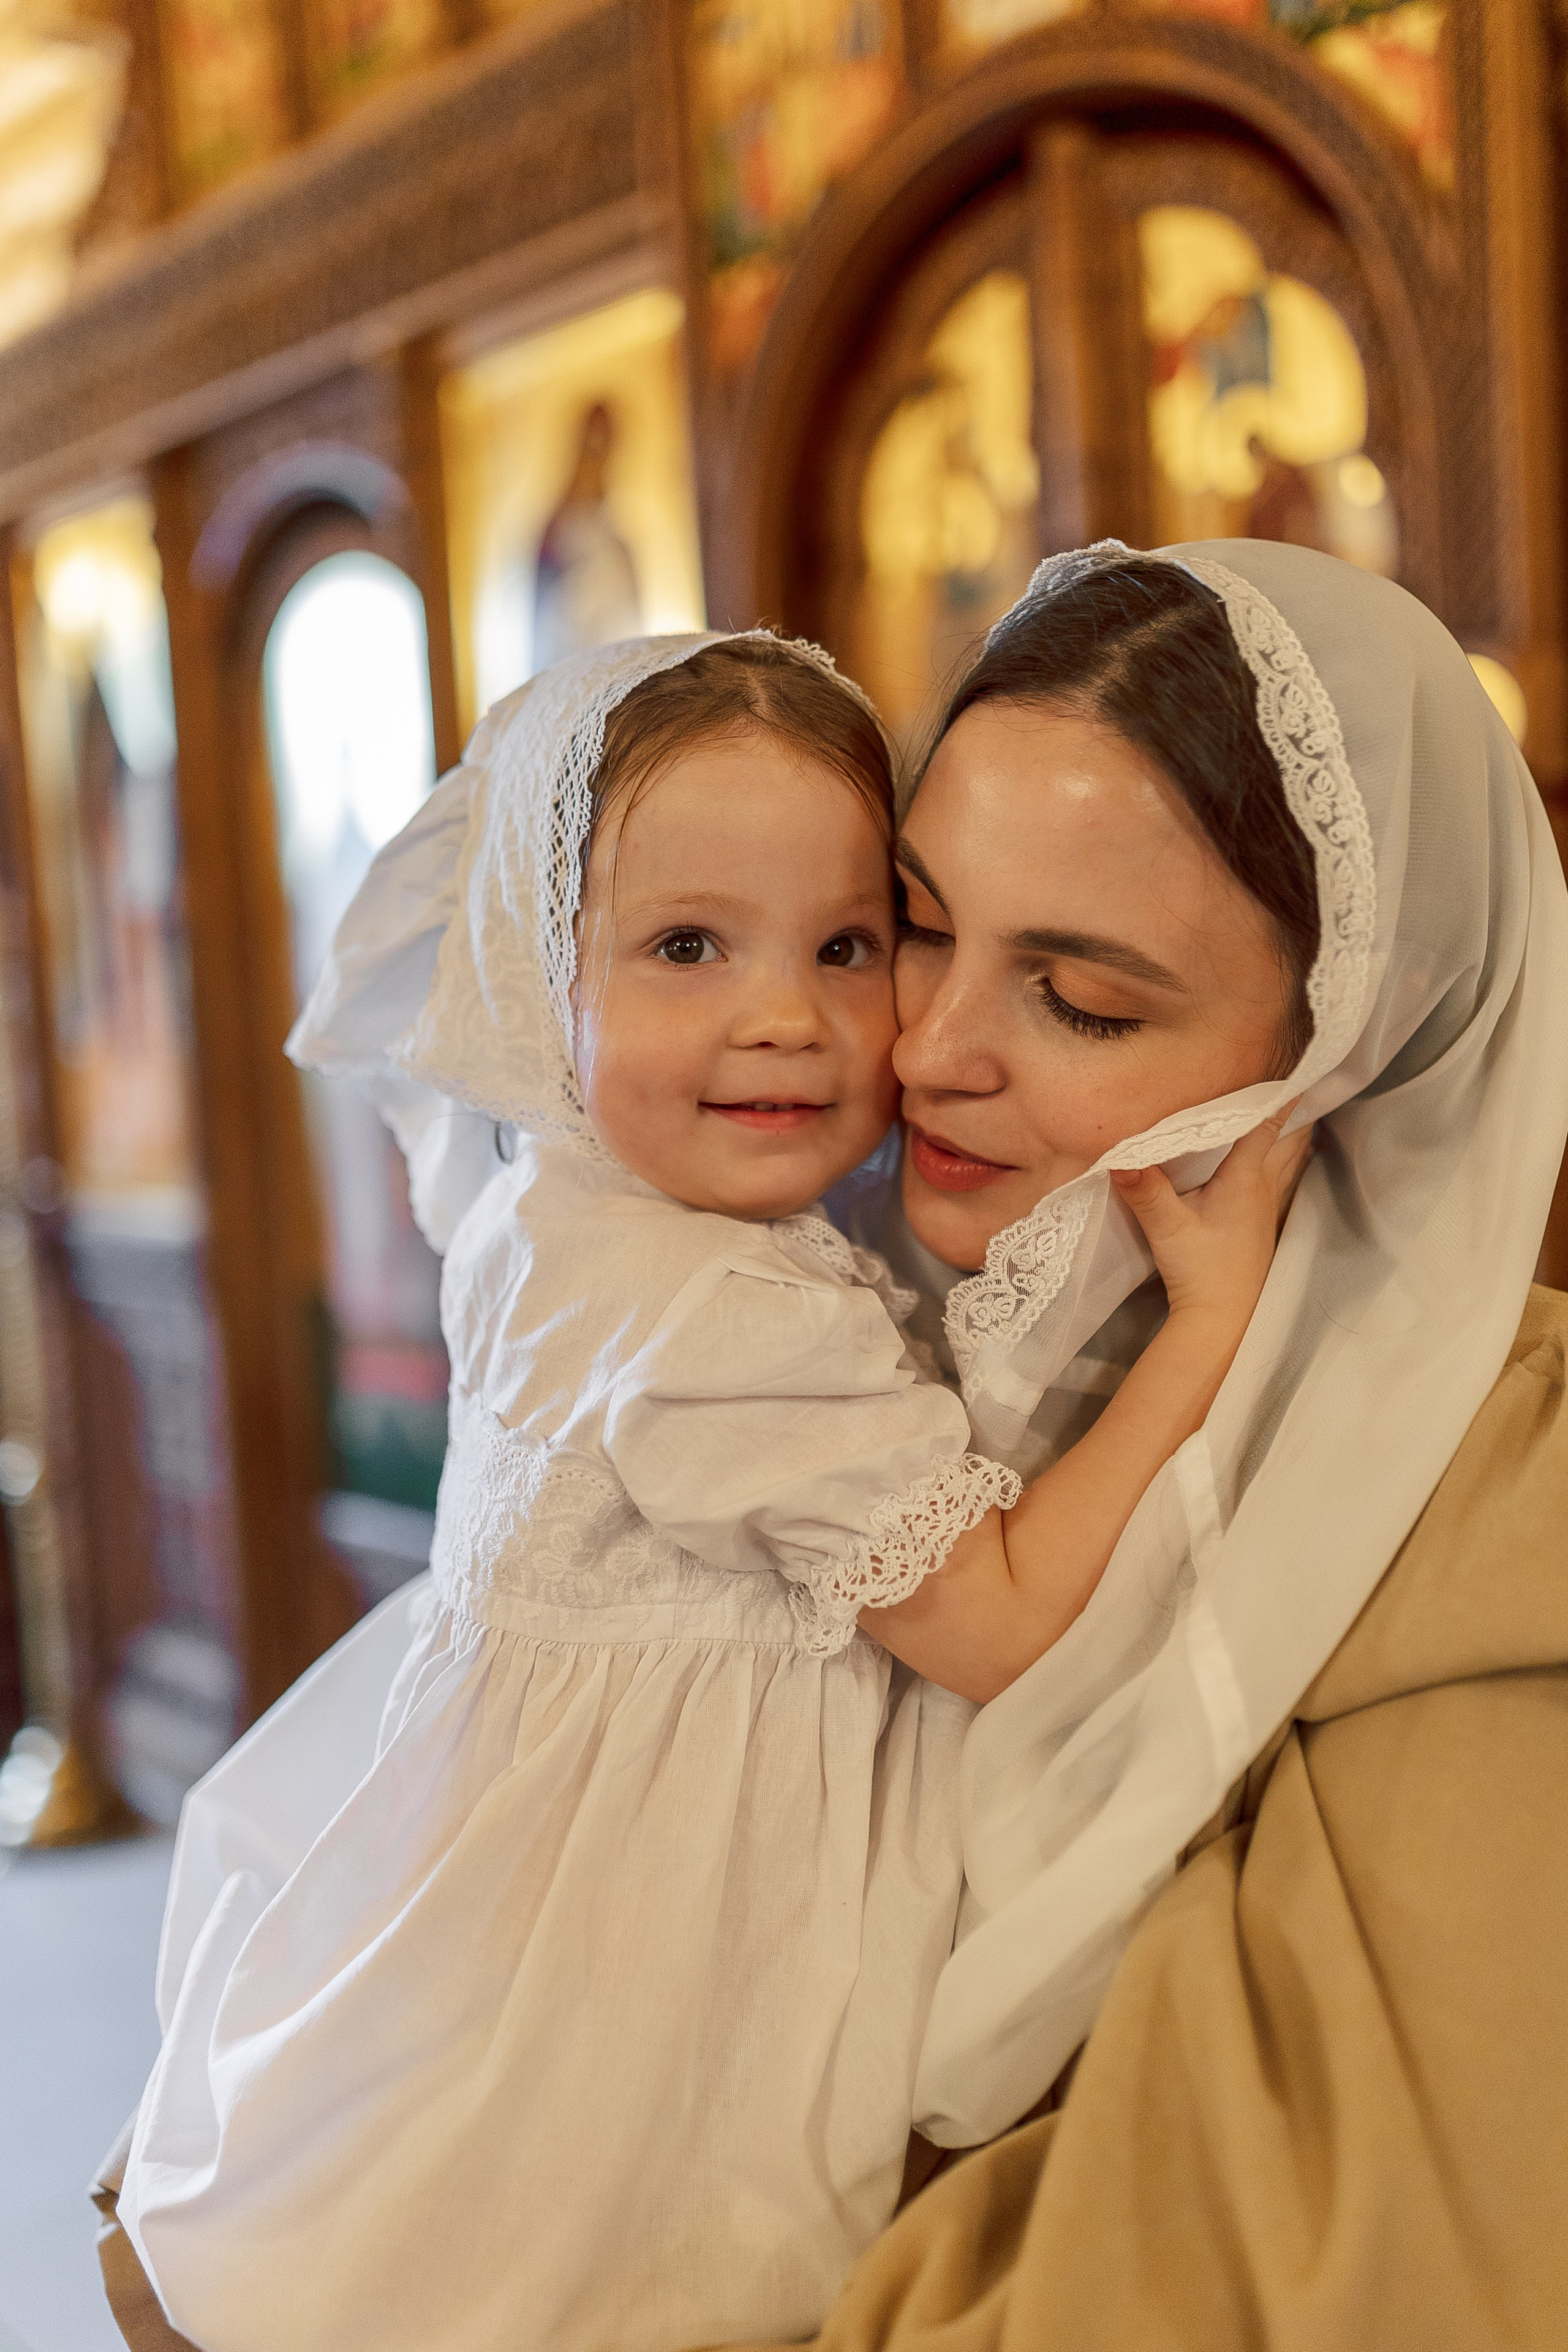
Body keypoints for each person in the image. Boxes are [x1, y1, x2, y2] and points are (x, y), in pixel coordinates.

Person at [108, 627, 1301, 2352]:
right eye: (686, 946)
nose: (785, 1021)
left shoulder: (557, 1205)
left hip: (493, 1904)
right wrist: (1208, 1322)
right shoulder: (717, 1315)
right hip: (633, 2008)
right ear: (547, 974)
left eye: (846, 944)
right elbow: (1003, 1624)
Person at [740, 538, 1568, 2346]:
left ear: (1342, 1056)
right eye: (921, 928)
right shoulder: (826, 1373)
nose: (933, 1050)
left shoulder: (1494, 1559)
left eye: (1086, 1000)